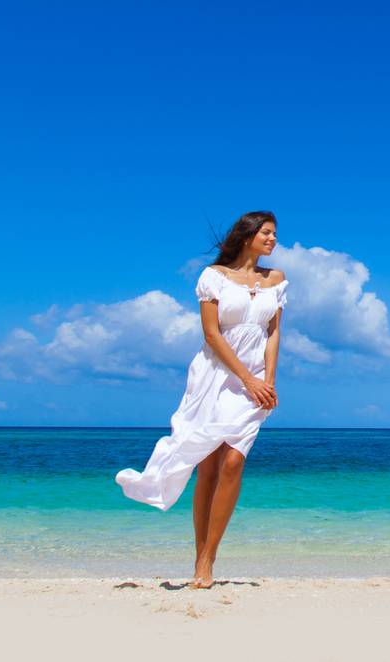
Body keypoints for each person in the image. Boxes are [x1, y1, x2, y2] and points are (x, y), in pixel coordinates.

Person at [115, 210, 288, 589]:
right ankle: (201, 561)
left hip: (255, 384)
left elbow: (273, 333)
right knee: (208, 466)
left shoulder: (276, 280)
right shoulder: (213, 278)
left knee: (232, 463)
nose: (273, 239)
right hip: (215, 378)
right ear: (247, 236)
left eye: (275, 234)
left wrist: (268, 380)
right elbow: (212, 335)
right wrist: (246, 378)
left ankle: (212, 555)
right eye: (267, 232)